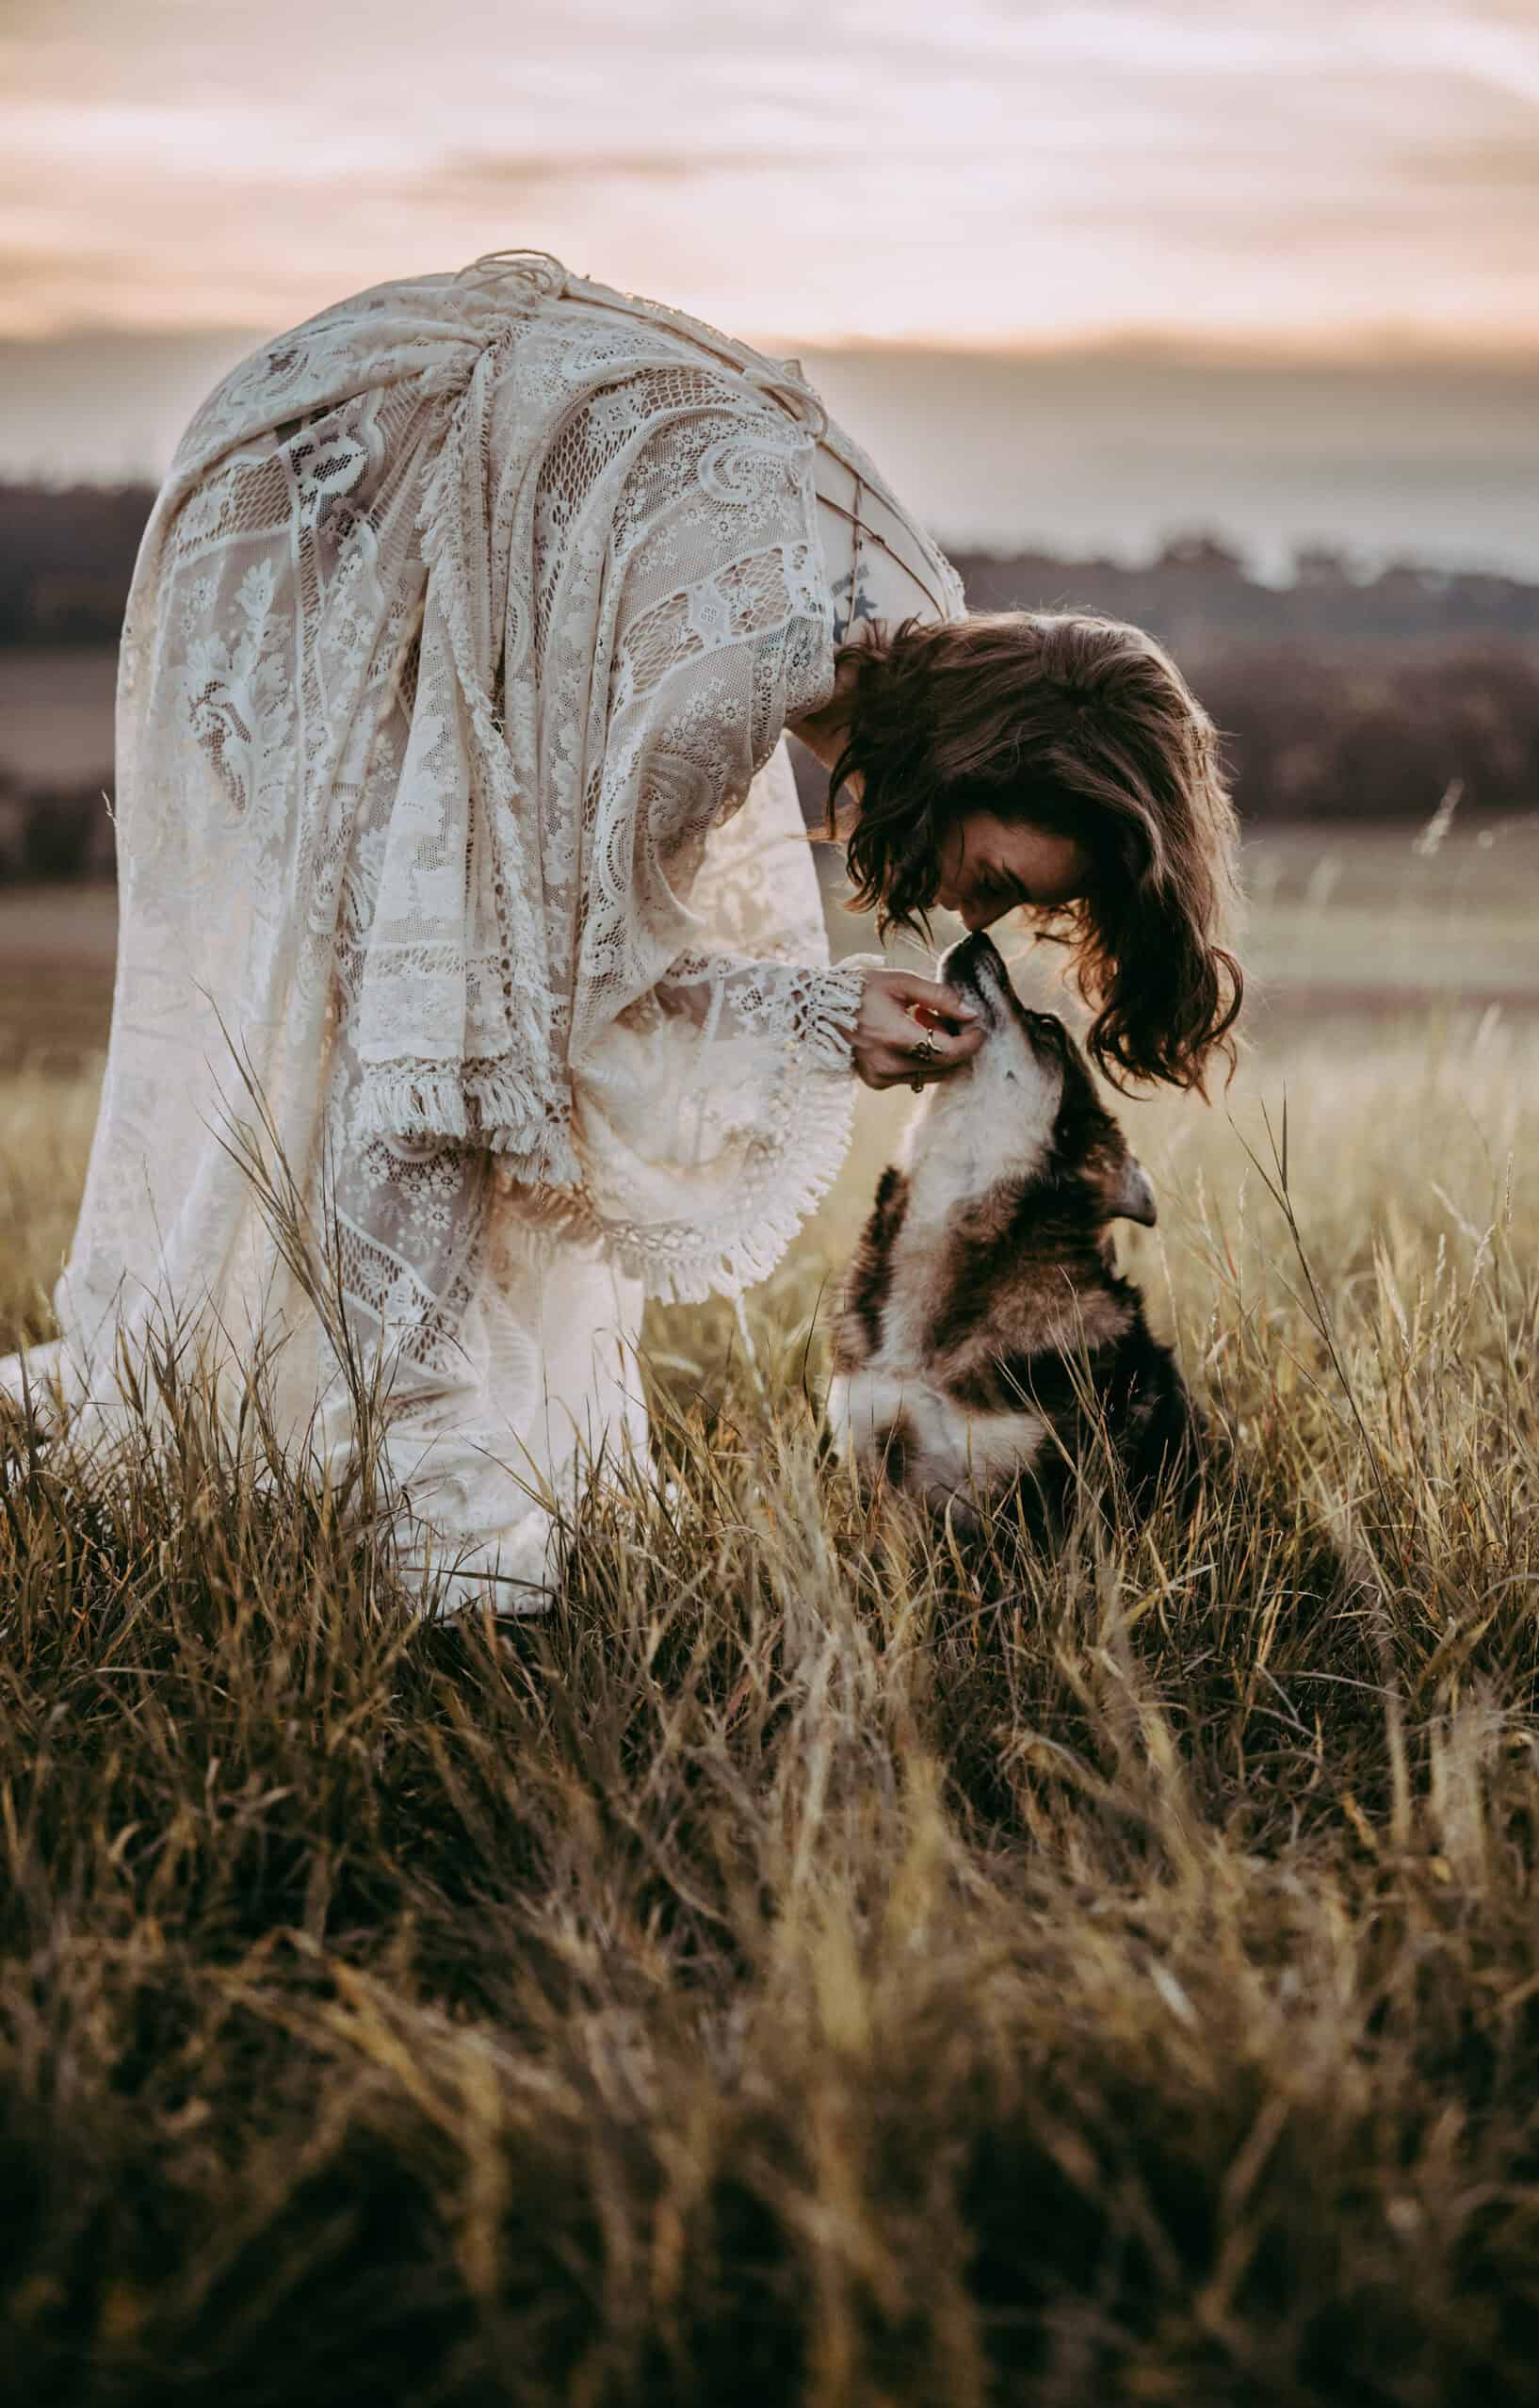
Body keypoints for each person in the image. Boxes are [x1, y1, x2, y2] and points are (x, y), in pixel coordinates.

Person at [0, 248, 1241, 1612]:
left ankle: (388, 1485)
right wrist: (457, 1518)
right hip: (324, 510)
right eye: (996, 870)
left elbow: (571, 969)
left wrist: (826, 1015)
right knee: (404, 1027)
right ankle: (435, 1533)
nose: (970, 912)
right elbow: (484, 1014)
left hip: (431, 486)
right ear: (977, 759)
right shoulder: (725, 673)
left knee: (443, 1007)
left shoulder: (898, 639)